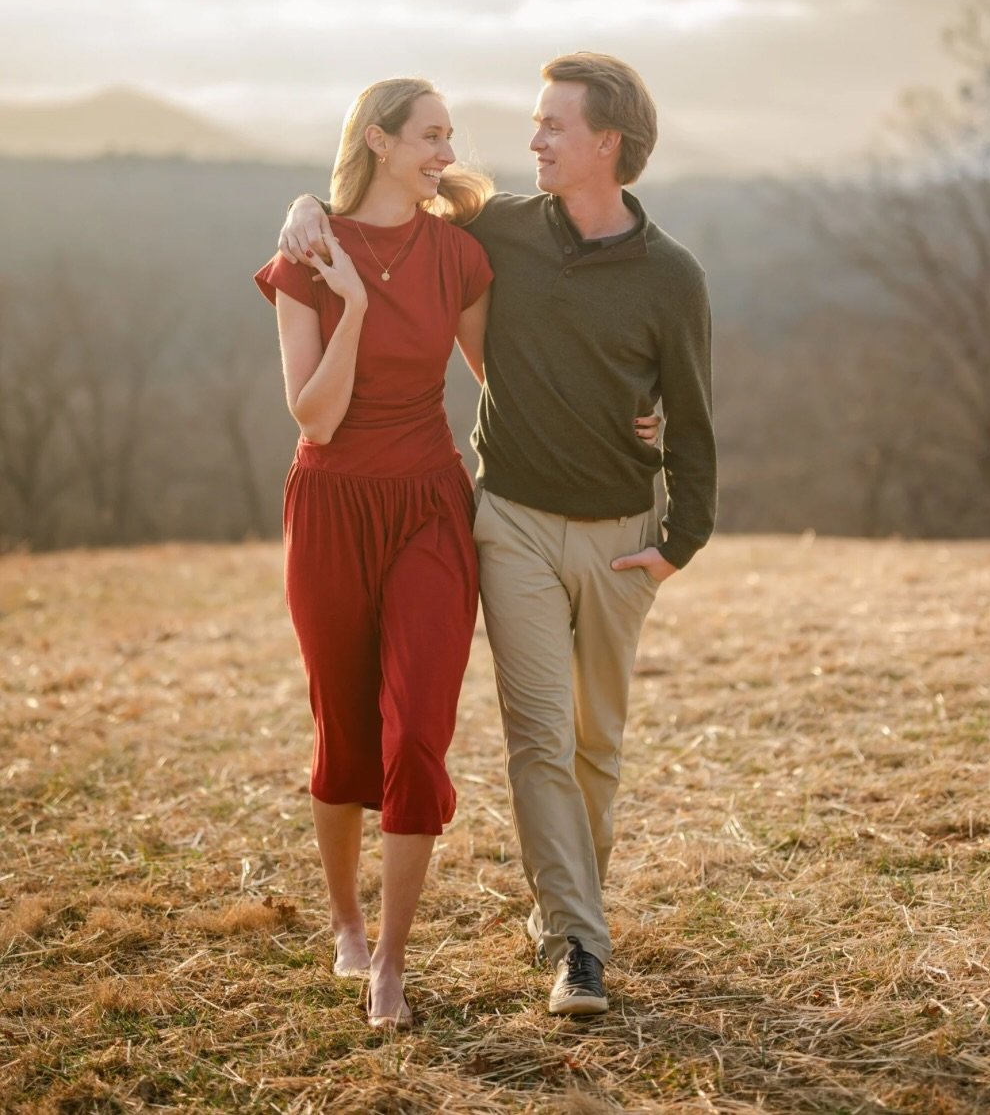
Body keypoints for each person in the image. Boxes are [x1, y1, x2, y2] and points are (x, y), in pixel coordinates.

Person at [280, 52, 717, 1017]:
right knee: (515, 739)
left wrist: (664, 498)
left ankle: (550, 917)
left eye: (552, 125)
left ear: (606, 141)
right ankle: (564, 940)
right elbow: (375, 213)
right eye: (532, 123)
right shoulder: (462, 234)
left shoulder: (620, 268)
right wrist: (306, 214)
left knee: (572, 742)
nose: (526, 142)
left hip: (535, 520)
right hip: (466, 513)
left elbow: (651, 405)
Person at [254, 78, 495, 1029]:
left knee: (417, 730)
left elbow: (501, 379)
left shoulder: (460, 254)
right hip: (332, 506)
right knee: (345, 729)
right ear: (382, 141)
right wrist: (351, 305)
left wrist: (625, 419)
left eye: (449, 137)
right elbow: (313, 414)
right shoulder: (306, 254)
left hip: (431, 506)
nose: (445, 149)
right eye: (431, 134)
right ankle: (346, 924)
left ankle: (391, 962)